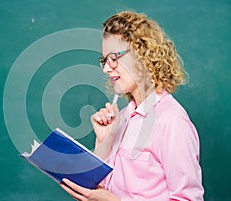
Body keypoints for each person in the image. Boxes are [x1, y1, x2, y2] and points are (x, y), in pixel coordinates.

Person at [60, 10, 204, 201]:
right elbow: (106, 189)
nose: (105, 68)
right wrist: (105, 142)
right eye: (104, 60)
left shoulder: (172, 121)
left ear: (143, 55)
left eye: (114, 58)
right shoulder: (124, 117)